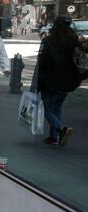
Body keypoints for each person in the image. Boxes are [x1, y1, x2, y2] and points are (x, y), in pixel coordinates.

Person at [37, 15, 82, 146]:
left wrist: (38, 83)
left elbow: (42, 63)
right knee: (57, 107)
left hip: (51, 82)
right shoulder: (74, 41)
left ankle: (61, 129)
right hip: (67, 82)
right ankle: (53, 137)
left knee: (48, 109)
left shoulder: (49, 41)